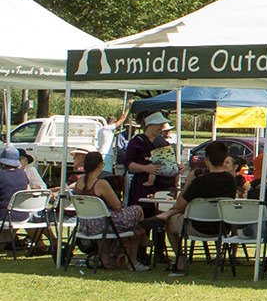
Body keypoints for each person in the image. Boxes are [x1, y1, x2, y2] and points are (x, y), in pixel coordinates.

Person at [158, 140, 240, 277]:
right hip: (222, 227)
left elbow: (180, 205)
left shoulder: (199, 182)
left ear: (207, 160)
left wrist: (188, 182)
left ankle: (180, 260)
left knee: (170, 222)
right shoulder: (231, 181)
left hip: (198, 226)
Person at [71, 150, 146, 270]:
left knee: (129, 222)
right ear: (100, 165)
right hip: (102, 224)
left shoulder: (79, 183)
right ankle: (135, 256)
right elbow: (117, 206)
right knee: (138, 211)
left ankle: (110, 258)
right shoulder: (101, 184)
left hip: (85, 225)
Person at [122, 113, 176, 217]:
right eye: (159, 124)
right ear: (150, 125)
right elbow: (128, 164)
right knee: (143, 215)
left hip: (162, 185)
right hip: (143, 186)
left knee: (161, 216)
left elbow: (168, 160)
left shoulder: (163, 142)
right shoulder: (137, 141)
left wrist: (176, 167)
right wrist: (145, 168)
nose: (161, 128)